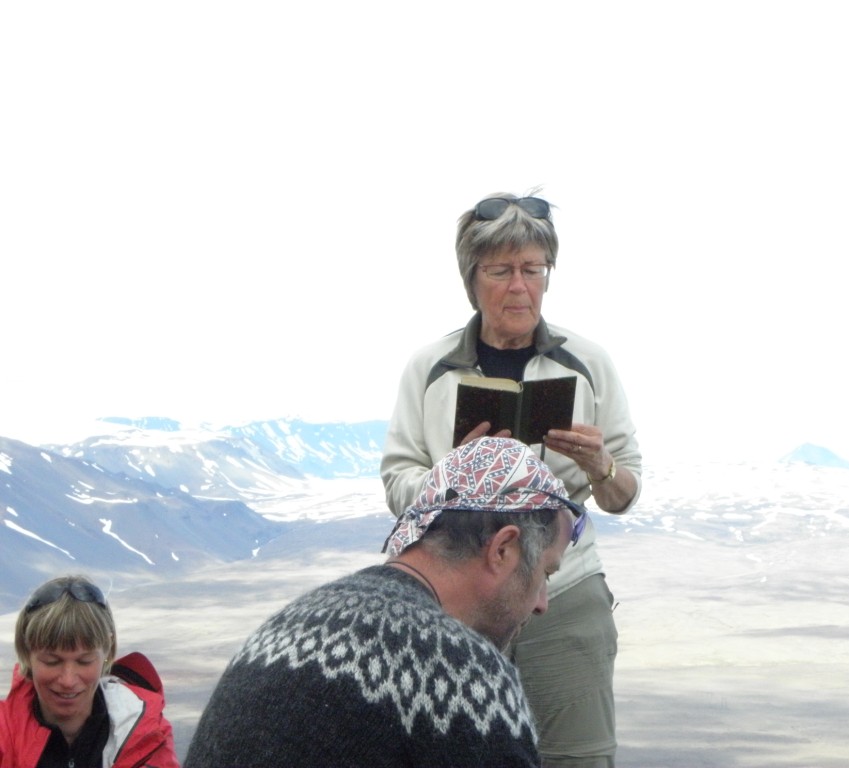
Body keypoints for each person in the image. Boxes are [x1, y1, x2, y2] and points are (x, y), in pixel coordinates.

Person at [381, 192, 642, 767]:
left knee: (578, 758)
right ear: (472, 280)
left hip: (564, 592)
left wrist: (600, 465)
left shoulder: (588, 363)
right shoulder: (430, 369)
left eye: (534, 270)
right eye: (501, 271)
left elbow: (625, 492)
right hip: (461, 600)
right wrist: (453, 475)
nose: (520, 286)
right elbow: (398, 480)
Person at [185, 436, 584, 768]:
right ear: (503, 549)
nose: (541, 603)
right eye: (545, 574)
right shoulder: (465, 680)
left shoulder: (281, 632)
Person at [0, 575, 180, 768]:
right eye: (52, 662)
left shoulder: (148, 734)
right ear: (26, 654)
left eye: (84, 661)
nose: (68, 680)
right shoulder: (4, 737)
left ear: (107, 652)